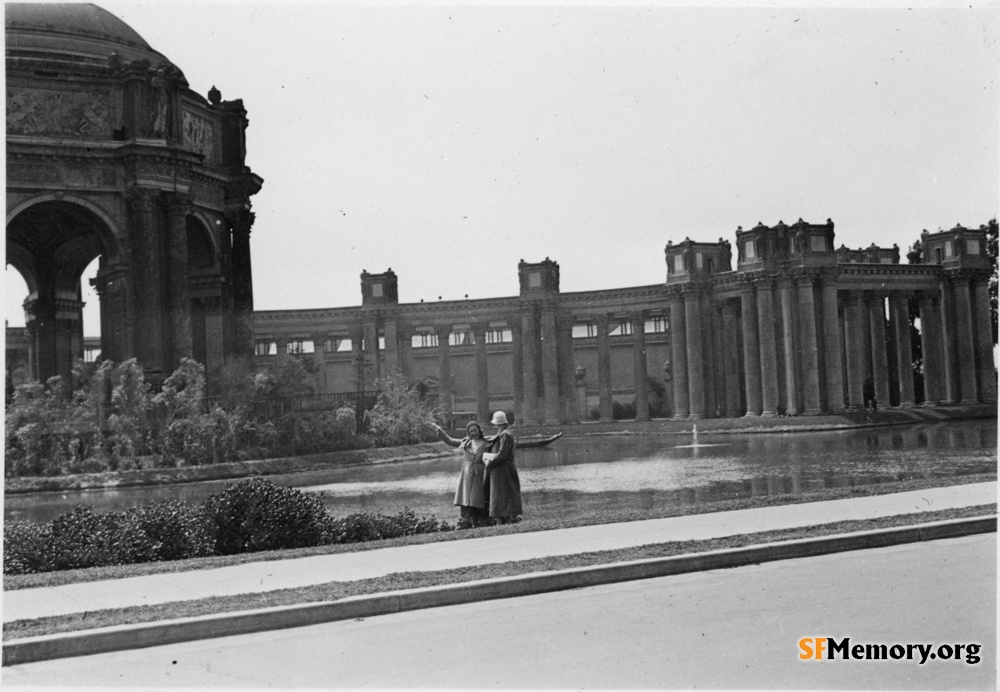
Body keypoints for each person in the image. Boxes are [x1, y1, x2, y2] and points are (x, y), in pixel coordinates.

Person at [431, 421, 488, 527]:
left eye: (475, 430)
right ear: (468, 433)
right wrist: (438, 429)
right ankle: (474, 525)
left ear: (479, 430)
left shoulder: (487, 443)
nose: (473, 433)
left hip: (481, 475)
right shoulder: (466, 442)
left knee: (481, 499)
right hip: (467, 475)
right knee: (470, 501)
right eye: (470, 432)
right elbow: (450, 441)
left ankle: (483, 524)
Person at [482, 410, 523, 524]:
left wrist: (489, 462)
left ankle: (501, 523)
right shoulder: (505, 433)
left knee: (500, 496)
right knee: (504, 496)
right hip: (503, 469)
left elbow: (502, 455)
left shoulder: (505, 434)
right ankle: (505, 522)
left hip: (503, 470)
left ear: (496, 423)